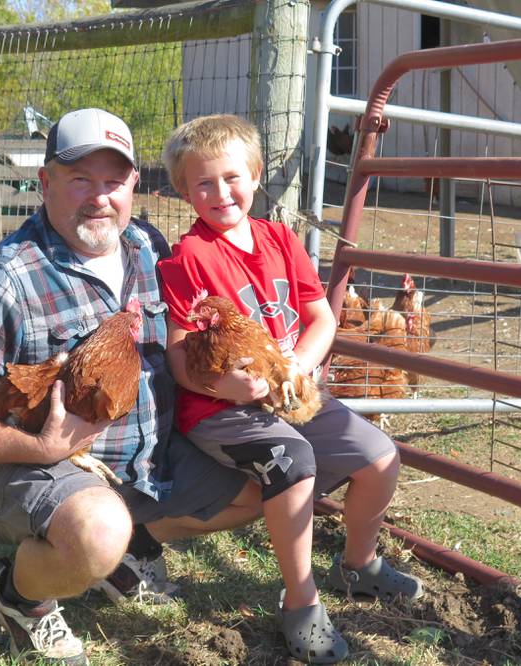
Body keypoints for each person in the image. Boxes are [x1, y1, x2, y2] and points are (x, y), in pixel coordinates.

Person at [0, 108, 262, 665]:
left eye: (113, 181)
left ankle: (130, 547)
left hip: (144, 458)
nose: (99, 197)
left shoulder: (148, 248)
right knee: (98, 530)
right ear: (45, 182)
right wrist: (39, 447)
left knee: (261, 486)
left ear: (133, 186)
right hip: (30, 466)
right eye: (80, 179)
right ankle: (21, 599)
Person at [158, 114, 424, 664]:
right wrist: (228, 385)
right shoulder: (189, 259)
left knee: (378, 455)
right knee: (291, 457)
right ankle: (302, 602)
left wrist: (297, 366)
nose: (220, 192)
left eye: (232, 177)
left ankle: (360, 565)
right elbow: (180, 357)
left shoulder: (280, 239)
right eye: (203, 182)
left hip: (289, 387)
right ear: (184, 190)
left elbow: (320, 318)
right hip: (216, 405)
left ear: (255, 175)